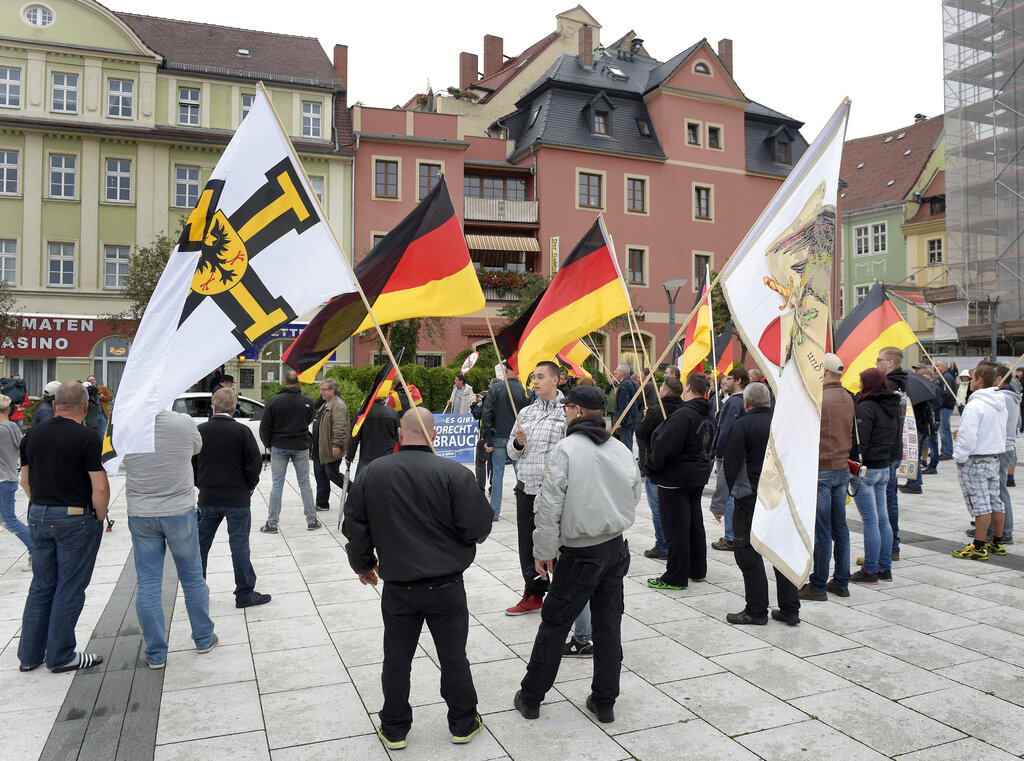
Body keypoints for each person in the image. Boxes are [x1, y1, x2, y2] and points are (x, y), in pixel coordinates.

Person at [343, 407, 493, 750]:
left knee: (397, 658)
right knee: (453, 656)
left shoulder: (373, 472)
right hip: (445, 585)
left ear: (399, 434)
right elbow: (479, 528)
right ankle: (463, 722)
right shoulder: (455, 474)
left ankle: (394, 727)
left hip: (398, 585)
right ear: (435, 436)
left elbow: (354, 526)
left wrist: (362, 563)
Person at [514, 385, 640, 724]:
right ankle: (605, 700)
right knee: (608, 625)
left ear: (577, 411)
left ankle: (531, 697)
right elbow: (634, 491)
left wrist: (543, 551)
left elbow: (549, 504)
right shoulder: (619, 447)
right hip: (614, 546)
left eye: (568, 408)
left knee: (555, 624)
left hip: (582, 552)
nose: (565, 413)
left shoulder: (566, 449)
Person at [18, 382, 108, 672]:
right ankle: (61, 655)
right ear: (85, 407)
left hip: (39, 515)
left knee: (42, 586)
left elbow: (25, 482)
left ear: (54, 405)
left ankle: (30, 656)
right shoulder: (88, 438)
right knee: (70, 587)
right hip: (75, 517)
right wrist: (99, 516)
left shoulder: (31, 436)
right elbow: (100, 486)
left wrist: (44, 507)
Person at [124, 408, 217, 668]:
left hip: (141, 512)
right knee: (192, 577)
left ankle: (156, 653)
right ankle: (203, 638)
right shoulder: (183, 422)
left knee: (148, 583)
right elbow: (196, 449)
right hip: (179, 510)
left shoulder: (127, 424)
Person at [724, 382, 800, 625]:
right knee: (781, 552)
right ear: (768, 401)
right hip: (780, 498)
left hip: (750, 500)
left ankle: (756, 611)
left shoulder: (742, 424)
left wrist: (728, 497)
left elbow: (731, 465)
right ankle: (790, 609)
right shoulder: (784, 424)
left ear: (746, 403)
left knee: (748, 554)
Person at [196, 388, 271, 610]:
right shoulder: (242, 431)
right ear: (233, 408)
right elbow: (254, 463)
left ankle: (197, 591)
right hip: (237, 497)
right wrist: (249, 486)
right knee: (239, 545)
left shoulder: (200, 431)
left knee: (201, 545)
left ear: (213, 407)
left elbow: (191, 462)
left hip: (208, 496)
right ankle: (245, 592)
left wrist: (200, 482)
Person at [644, 371, 715, 590]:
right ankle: (696, 568)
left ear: (688, 388)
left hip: (676, 476)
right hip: (697, 475)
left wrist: (650, 466)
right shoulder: (708, 414)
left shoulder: (684, 415)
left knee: (676, 528)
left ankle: (675, 577)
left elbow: (666, 445)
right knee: (693, 523)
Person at [506, 361, 565, 615]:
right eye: (534, 377)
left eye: (541, 377)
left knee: (557, 544)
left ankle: (562, 593)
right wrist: (518, 444)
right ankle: (533, 592)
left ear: (556, 379)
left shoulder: (567, 412)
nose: (536, 382)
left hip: (554, 494)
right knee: (527, 544)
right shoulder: (526, 412)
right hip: (526, 489)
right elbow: (511, 452)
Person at [800, 354, 854, 601]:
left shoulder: (820, 398)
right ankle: (841, 582)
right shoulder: (846, 396)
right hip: (842, 467)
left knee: (822, 530)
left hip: (822, 469)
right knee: (840, 529)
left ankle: (818, 585)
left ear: (825, 372)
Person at [953, 365, 1010, 560]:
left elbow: (969, 437)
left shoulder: (975, 404)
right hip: (993, 456)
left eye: (972, 378)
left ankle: (978, 546)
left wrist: (959, 457)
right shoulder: (1000, 402)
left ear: (979, 380)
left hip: (976, 459)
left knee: (980, 503)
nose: (970, 381)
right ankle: (998, 541)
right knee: (995, 499)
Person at [849, 368, 901, 583]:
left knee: (870, 520)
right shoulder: (892, 405)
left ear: (868, 383)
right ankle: (884, 568)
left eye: (861, 381)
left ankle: (870, 570)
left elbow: (860, 441)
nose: (859, 385)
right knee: (883, 519)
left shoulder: (866, 407)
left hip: (867, 469)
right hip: (884, 467)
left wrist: (852, 462)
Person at [259, 370, 318, 533]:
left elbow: (265, 427)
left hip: (279, 445)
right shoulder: (307, 401)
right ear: (299, 383)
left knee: (277, 484)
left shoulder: (273, 401)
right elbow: (308, 421)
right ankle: (311, 520)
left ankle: (272, 523)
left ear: (284, 382)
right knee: (305, 482)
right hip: (300, 445)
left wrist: (268, 443)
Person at [634, 378, 685, 559]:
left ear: (665, 392)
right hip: (679, 464)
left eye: (661, 387)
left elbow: (640, 432)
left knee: (658, 507)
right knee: (677, 508)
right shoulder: (684, 409)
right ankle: (675, 542)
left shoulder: (657, 410)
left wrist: (644, 417)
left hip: (657, 464)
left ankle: (662, 544)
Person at [480, 362, 527, 520]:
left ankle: (494, 511)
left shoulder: (495, 389)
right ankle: (526, 508)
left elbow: (487, 414)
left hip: (498, 436)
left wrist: (486, 437)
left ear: (505, 370)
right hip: (517, 437)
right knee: (521, 474)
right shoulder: (525, 391)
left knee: (497, 474)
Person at [709, 368, 749, 551]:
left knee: (729, 494)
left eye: (730, 378)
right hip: (741, 454)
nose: (726, 381)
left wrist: (718, 451)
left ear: (739, 380)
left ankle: (731, 536)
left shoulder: (734, 402)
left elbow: (726, 430)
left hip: (728, 454)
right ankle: (737, 534)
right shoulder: (744, 400)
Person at [876, 347, 907, 561]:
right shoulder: (902, 383)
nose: (876, 363)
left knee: (885, 502)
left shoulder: (891, 386)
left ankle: (889, 549)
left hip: (886, 450)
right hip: (893, 448)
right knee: (889, 499)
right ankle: (891, 547)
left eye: (879, 360)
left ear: (890, 363)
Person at [0, 394, 32, 567]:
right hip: (8, 477)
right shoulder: (12, 427)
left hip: (3, 480)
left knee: (9, 520)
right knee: (6, 519)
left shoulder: (2, 429)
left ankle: (36, 550)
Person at [312, 378, 348, 510]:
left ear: (332, 390)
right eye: (321, 389)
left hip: (330, 448)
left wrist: (336, 445)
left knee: (333, 475)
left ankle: (356, 491)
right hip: (319, 448)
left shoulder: (338, 405)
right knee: (320, 476)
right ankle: (322, 503)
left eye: (324, 390)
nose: (321, 392)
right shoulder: (325, 404)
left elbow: (340, 427)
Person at [346, 396, 399, 478]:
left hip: (367, 456)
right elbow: (397, 436)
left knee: (361, 487)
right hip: (386, 457)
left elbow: (354, 437)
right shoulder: (393, 412)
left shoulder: (361, 412)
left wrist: (349, 456)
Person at [612, 363, 640, 454]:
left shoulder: (624, 385)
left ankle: (628, 465)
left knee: (625, 445)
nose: (615, 372)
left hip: (626, 419)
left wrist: (620, 420)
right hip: (633, 417)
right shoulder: (632, 383)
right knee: (629, 442)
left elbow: (623, 404)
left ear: (622, 372)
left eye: (617, 370)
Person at [936, 360, 957, 459]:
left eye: (938, 365)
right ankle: (945, 450)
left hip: (945, 406)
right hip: (945, 406)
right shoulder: (944, 377)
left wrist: (939, 402)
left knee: (944, 429)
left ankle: (947, 452)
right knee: (943, 429)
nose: (936, 367)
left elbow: (946, 392)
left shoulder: (946, 377)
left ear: (944, 367)